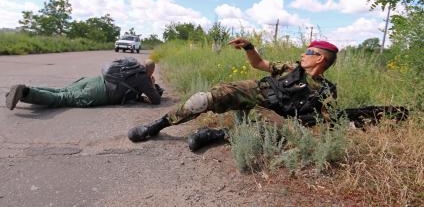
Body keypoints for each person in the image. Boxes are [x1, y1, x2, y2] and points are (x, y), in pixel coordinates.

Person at [127, 38, 339, 151]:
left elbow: (325, 123)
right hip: (254, 92)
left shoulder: (325, 91)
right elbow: (258, 63)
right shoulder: (291, 67)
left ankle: (215, 135)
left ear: (320, 59)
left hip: (271, 113)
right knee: (203, 99)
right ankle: (156, 126)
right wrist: (248, 47)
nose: (303, 53)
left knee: (284, 133)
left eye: (309, 52)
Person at [5, 59, 163, 110]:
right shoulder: (144, 78)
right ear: (151, 71)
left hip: (94, 80)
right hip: (99, 92)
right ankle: (25, 93)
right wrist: (151, 83)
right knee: (63, 98)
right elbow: (155, 100)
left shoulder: (132, 67)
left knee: (61, 90)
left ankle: (23, 91)